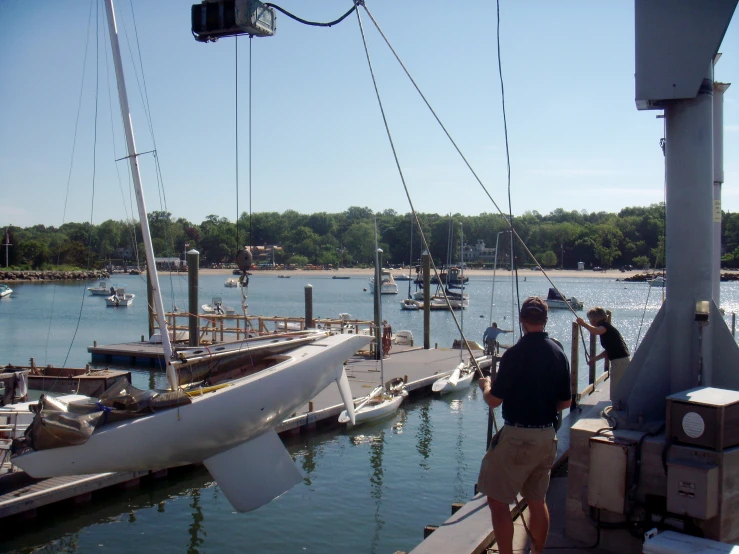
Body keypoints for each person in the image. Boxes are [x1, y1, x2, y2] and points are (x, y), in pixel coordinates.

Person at [477, 297, 571, 554]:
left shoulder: (514, 354)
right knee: (537, 500)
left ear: (521, 320)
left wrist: (486, 386)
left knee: (497, 502)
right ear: (545, 320)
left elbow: (494, 401)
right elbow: (565, 402)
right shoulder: (558, 352)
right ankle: (536, 552)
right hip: (547, 437)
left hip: (518, 436)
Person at [576, 307, 630, 395]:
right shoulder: (607, 329)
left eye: (590, 319)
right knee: (618, 388)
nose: (590, 322)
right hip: (621, 360)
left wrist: (583, 324)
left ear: (594, 319)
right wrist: (594, 359)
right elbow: (608, 351)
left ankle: (616, 406)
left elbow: (596, 331)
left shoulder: (604, 327)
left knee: (615, 389)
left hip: (619, 362)